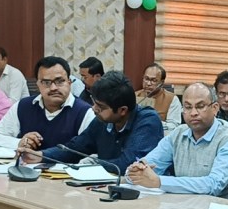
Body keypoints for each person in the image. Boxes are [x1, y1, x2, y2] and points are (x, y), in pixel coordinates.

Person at [127, 82, 228, 200]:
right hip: (184, 204)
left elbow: (213, 185)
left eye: (200, 106)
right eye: (188, 107)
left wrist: (159, 181)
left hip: (222, 208)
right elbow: (149, 165)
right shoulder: (178, 134)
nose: (193, 113)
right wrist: (136, 171)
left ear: (215, 108)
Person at [30, 71, 162, 174]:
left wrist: (92, 165)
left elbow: (127, 164)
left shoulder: (147, 121)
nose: (94, 109)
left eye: (101, 107)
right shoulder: (103, 119)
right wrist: (41, 155)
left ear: (122, 110)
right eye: (94, 103)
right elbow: (75, 148)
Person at [0, 56, 95, 151]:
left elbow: (90, 151)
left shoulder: (85, 112)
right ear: (38, 85)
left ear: (69, 82)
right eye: (46, 82)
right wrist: (19, 143)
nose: (53, 88)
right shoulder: (23, 106)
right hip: (26, 167)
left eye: (59, 81)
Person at [135, 62, 181, 129]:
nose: (148, 83)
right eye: (146, 79)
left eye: (153, 80)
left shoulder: (172, 99)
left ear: (161, 83)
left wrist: (154, 122)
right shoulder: (134, 96)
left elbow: (174, 126)